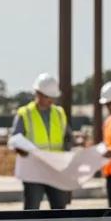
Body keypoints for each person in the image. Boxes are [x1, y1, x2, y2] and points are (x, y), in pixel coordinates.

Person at [13, 73, 72, 210]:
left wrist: (67, 155)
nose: (50, 100)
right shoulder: (25, 113)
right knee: (32, 210)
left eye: (52, 97)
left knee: (59, 210)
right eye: (47, 96)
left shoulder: (59, 113)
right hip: (34, 171)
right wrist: (20, 149)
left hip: (55, 169)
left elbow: (68, 138)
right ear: (38, 94)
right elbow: (16, 138)